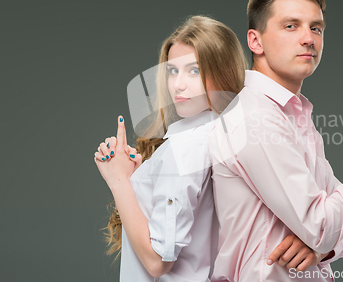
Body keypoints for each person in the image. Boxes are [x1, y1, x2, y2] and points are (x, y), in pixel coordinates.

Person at [94, 15, 324, 281]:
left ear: (222, 71)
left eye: (194, 70)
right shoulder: (226, 133)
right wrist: (142, 179)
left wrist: (119, 180)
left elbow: (158, 261)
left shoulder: (186, 146)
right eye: (172, 70)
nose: (178, 84)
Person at [209, 0, 343, 281]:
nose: (308, 39)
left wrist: (322, 250)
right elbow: (323, 225)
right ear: (255, 41)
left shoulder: (293, 114)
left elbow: (340, 219)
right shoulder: (254, 118)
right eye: (291, 26)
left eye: (316, 28)